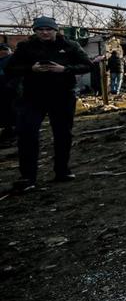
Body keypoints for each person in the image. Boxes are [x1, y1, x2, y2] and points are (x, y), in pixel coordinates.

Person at [4, 17, 92, 193]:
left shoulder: (70, 45)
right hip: (32, 97)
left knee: (62, 134)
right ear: (35, 31)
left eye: (48, 29)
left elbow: (87, 65)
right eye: (40, 29)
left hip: (62, 96)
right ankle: (28, 177)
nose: (44, 32)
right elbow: (10, 69)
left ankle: (62, 171)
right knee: (27, 134)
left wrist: (65, 69)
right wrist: (31, 69)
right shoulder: (25, 47)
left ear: (55, 30)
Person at [0, 43, 15, 143]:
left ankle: (9, 131)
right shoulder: (12, 58)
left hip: (10, 89)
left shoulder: (12, 59)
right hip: (8, 89)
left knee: (9, 110)